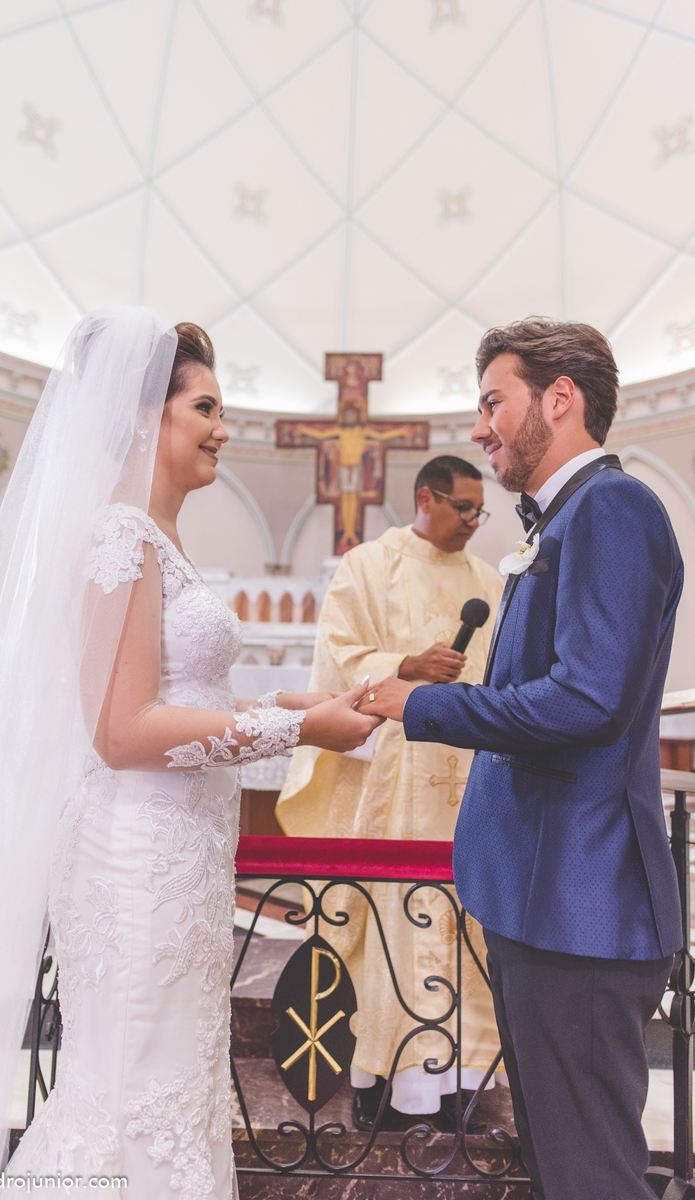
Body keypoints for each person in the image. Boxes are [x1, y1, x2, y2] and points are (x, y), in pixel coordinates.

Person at [0, 309, 381, 1198]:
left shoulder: (157, 538)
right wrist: (296, 731)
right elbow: (123, 730)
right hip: (135, 861)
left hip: (177, 856)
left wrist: (288, 704)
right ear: (145, 416)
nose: (223, 429)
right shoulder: (118, 537)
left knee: (169, 1087)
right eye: (206, 408)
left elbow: (178, 699)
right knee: (128, 1092)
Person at [359, 319, 683, 1200]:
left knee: (591, 1175)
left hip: (582, 903)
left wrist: (419, 703)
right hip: (544, 899)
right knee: (559, 1162)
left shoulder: (611, 507)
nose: (479, 428)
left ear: (560, 398)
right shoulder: (568, 517)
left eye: (491, 402)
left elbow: (585, 701)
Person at [276, 456, 504, 1131]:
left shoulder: (486, 582)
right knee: (393, 929)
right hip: (393, 788)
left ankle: (461, 1078)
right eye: (463, 508)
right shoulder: (367, 568)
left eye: (478, 510)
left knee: (468, 931)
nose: (472, 522)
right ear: (425, 498)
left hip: (470, 785)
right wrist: (403, 666)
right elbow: (340, 664)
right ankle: (387, 1079)